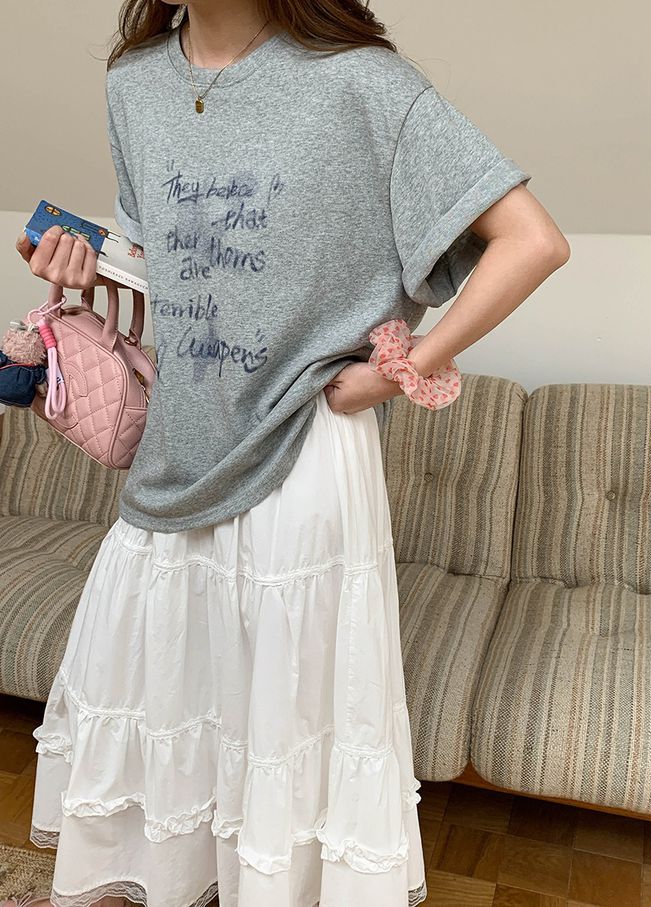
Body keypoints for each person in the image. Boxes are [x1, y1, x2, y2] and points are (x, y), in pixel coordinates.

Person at [11, 1, 569, 906]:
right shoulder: (133, 85)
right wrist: (88, 268)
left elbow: (532, 241)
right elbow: (176, 278)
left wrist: (396, 372)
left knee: (279, 737)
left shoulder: (362, 85)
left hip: (304, 457)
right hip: (177, 451)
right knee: (173, 723)